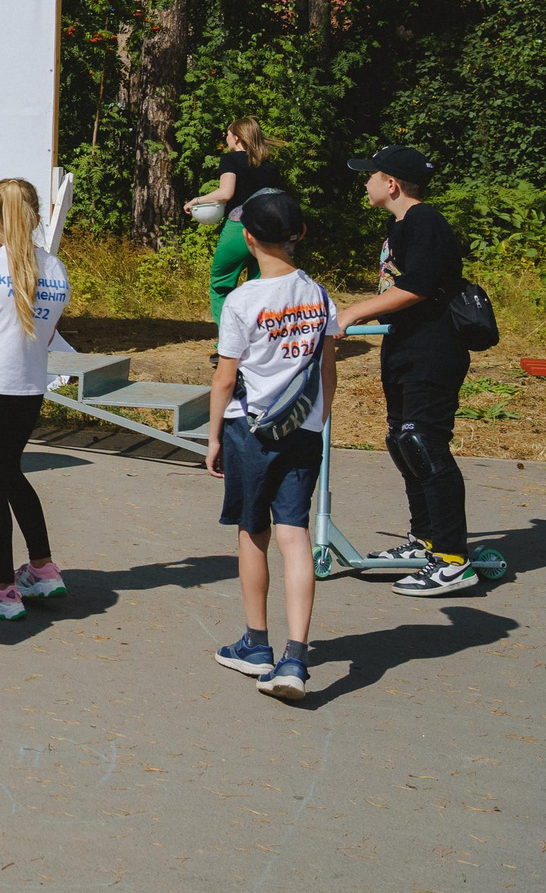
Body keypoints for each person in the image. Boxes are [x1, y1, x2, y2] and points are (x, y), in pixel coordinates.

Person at [204, 189, 333, 702]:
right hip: (303, 427)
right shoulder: (320, 295)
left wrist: (212, 437)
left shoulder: (242, 300)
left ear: (249, 238)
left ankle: (256, 643)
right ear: (298, 234)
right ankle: (296, 656)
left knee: (252, 531)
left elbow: (223, 378)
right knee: (295, 536)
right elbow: (327, 367)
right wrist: (321, 421)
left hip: (250, 430)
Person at [334, 144, 479, 597]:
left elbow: (415, 287)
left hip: (433, 351)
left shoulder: (425, 222)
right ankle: (425, 540)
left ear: (391, 183)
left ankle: (453, 560)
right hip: (405, 349)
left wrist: (352, 313)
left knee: (424, 443)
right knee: (402, 442)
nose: (365, 182)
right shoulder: (400, 225)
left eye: (370, 175)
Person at [0, 179, 73, 620]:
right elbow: (44, 333)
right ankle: (41, 568)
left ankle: (2, 587)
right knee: (10, 474)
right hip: (29, 390)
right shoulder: (57, 269)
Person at [184, 119, 285, 321]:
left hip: (239, 227)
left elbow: (225, 193)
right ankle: (259, 342)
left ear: (237, 137)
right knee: (260, 287)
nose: (226, 138)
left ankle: (228, 345)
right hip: (267, 231)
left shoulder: (231, 160)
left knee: (221, 284)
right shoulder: (270, 167)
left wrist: (195, 201)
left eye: (228, 134)